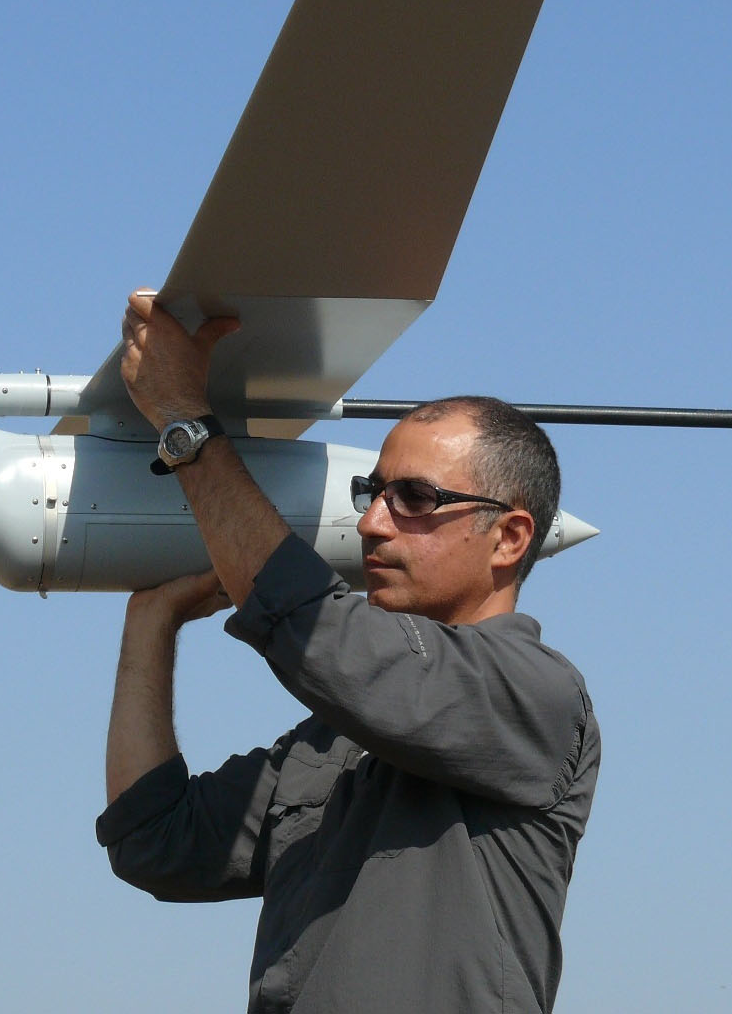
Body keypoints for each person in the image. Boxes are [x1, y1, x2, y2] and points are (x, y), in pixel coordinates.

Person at [98, 289, 600, 1014]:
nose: (371, 523)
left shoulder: (535, 695)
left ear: (510, 538)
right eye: (374, 492)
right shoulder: (330, 746)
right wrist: (150, 621)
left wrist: (186, 421)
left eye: (415, 498)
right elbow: (155, 839)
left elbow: (316, 630)